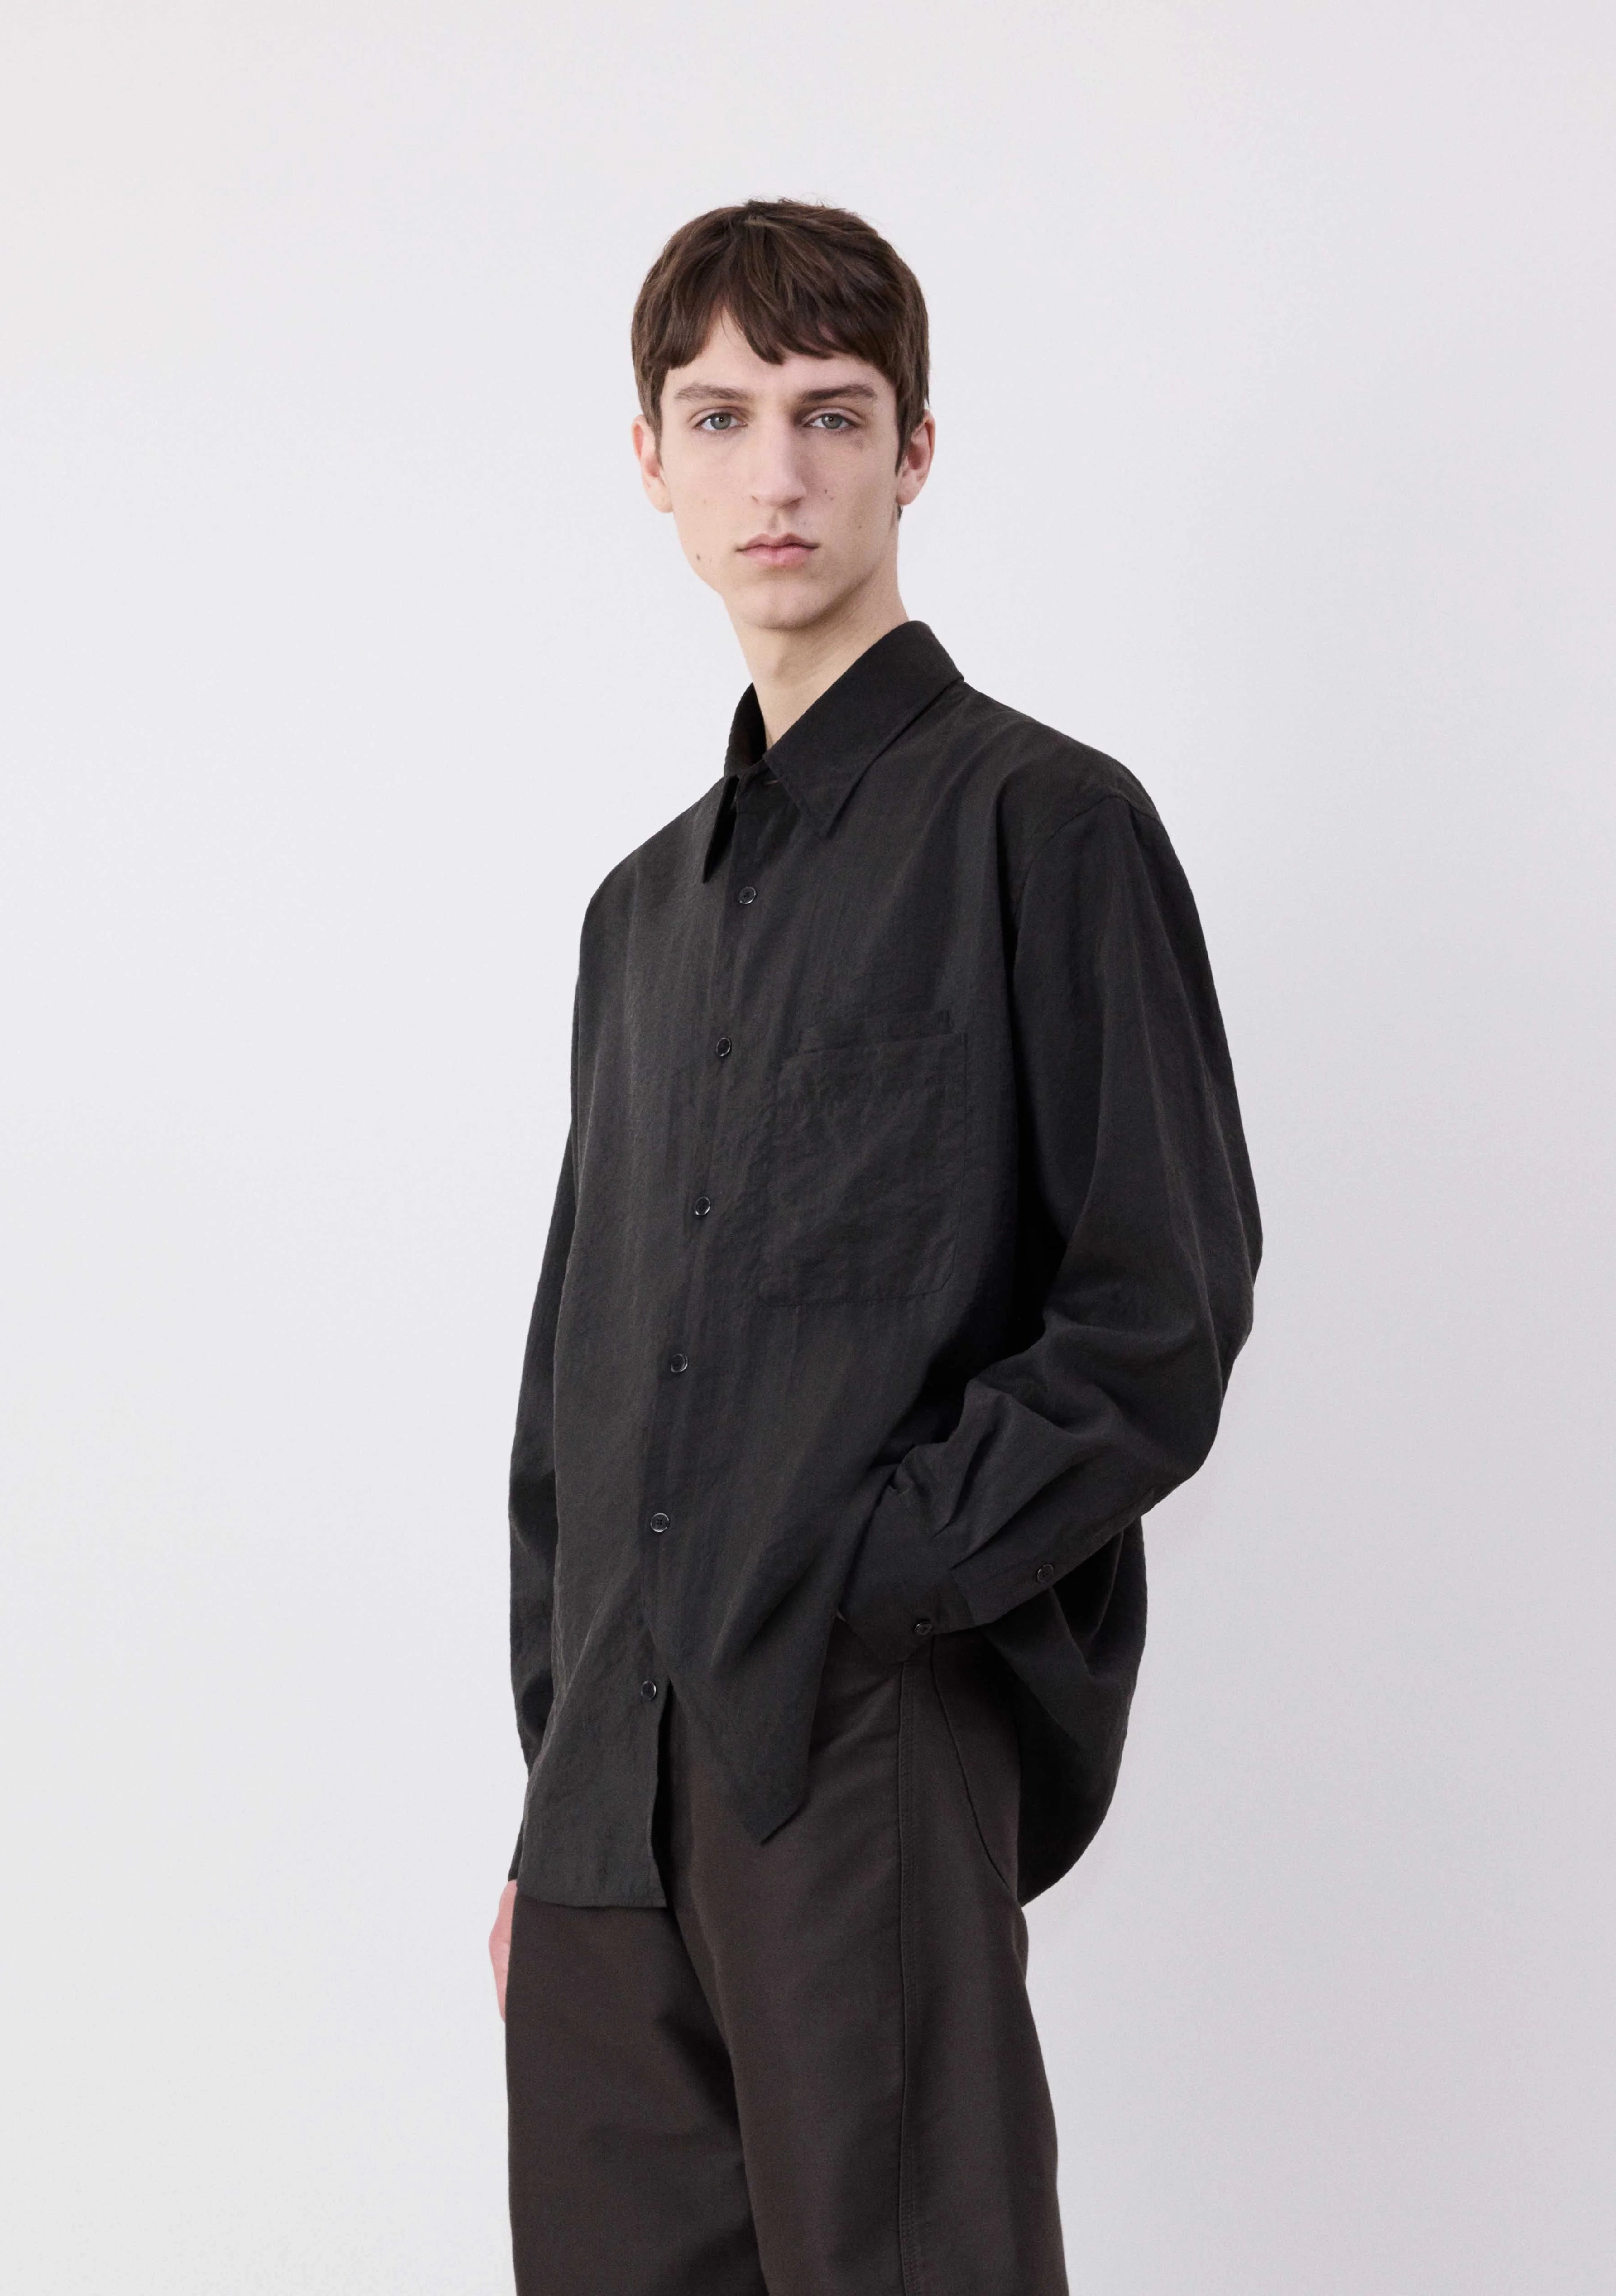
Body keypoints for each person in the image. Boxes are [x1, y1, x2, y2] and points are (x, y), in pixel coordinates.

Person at [488, 198, 1260, 2296]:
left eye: (831, 415)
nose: (778, 470)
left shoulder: (1046, 826)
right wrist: (563, 1794)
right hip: (606, 1815)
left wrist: (871, 1586)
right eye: (721, 415)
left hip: (856, 1750)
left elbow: (1155, 1315)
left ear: (915, 450)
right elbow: (577, 1393)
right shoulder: (635, 919)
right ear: (649, 458)